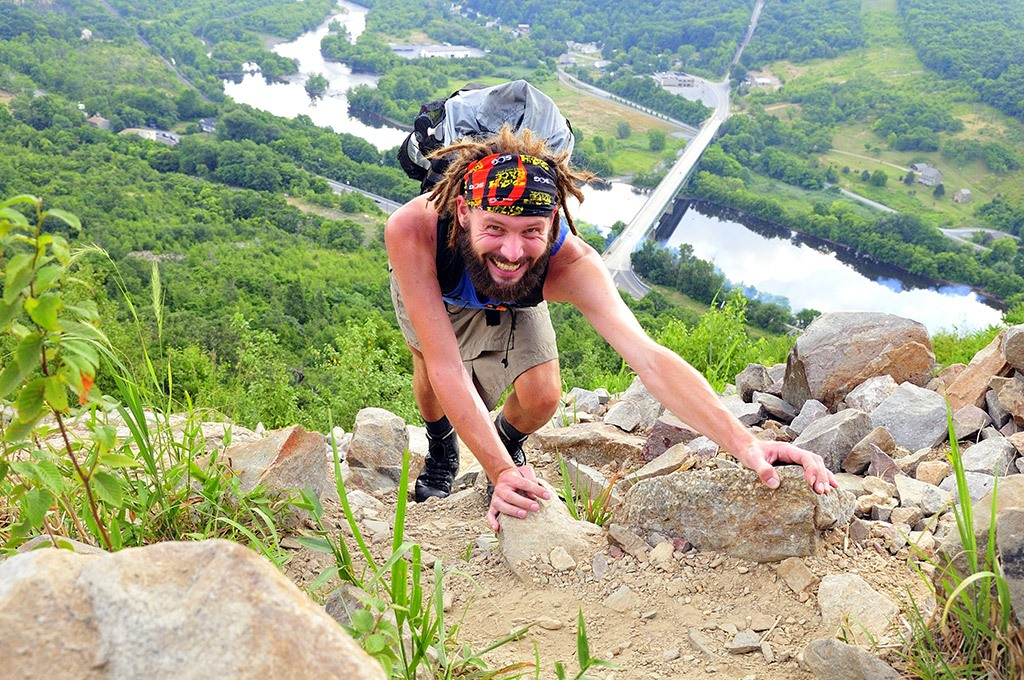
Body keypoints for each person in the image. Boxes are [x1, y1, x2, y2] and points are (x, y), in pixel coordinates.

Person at [385, 124, 837, 532]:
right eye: (496, 227)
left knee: (543, 395)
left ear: (554, 223)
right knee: (428, 364)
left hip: (519, 294)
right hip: (441, 286)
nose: (511, 250)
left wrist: (746, 443)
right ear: (464, 212)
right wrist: (503, 475)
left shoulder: (569, 264)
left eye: (531, 231)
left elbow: (648, 358)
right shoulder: (412, 230)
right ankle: (443, 447)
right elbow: (449, 367)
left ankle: (503, 444)